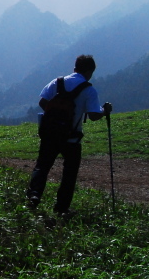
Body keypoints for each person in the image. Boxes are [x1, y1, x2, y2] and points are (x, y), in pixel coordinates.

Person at [27, 54, 112, 216]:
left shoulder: (57, 82)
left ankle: (34, 195)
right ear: (90, 72)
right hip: (72, 138)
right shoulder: (89, 90)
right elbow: (93, 115)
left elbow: (42, 101)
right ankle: (61, 208)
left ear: (75, 68)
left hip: (50, 134)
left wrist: (54, 117)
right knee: (69, 173)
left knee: (42, 166)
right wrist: (104, 110)